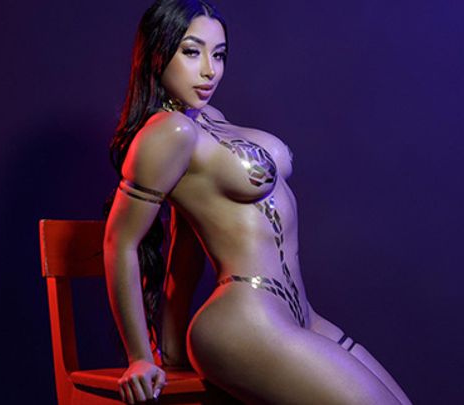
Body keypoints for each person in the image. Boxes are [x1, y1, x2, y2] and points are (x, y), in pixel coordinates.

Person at [102, 1, 410, 403]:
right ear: (158, 52)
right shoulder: (168, 132)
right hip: (245, 319)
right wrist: (141, 358)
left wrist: (173, 346)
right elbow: (120, 242)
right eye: (192, 52)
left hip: (299, 315)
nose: (210, 70)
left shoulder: (208, 118)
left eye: (219, 55)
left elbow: (186, 243)